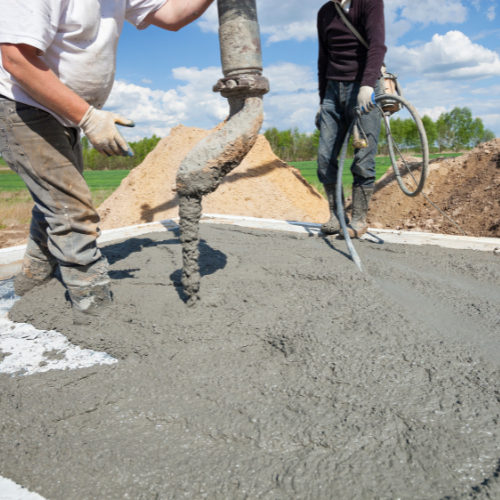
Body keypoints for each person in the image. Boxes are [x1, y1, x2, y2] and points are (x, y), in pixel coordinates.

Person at [0, 0, 215, 324]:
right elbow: (16, 58)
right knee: (72, 211)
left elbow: (172, 16)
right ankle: (95, 313)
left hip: (63, 113)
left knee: (56, 203)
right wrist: (87, 117)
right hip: (23, 107)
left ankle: (31, 285)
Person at [316, 0, 386, 238]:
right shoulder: (324, 12)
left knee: (363, 158)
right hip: (333, 92)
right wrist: (321, 99)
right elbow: (323, 58)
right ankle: (337, 215)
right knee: (324, 158)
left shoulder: (370, 3)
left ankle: (358, 219)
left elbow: (377, 46)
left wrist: (368, 85)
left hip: (363, 86)